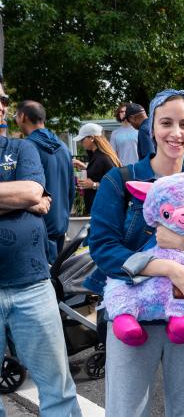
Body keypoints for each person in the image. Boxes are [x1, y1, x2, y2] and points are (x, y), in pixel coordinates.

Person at [87, 89, 184, 416]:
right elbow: (104, 249)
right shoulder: (122, 180)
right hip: (132, 316)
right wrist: (168, 268)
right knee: (126, 409)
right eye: (166, 123)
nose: (176, 133)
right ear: (151, 127)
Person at [0, 83, 81, 417]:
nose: (1, 104)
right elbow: (27, 197)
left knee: (58, 388)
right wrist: (18, 198)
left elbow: (34, 191)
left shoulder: (22, 149)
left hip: (32, 283)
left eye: (3, 99)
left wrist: (30, 196)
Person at [16, 100, 74, 264]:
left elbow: (22, 191)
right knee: (55, 279)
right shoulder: (63, 147)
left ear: (23, 117)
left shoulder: (25, 148)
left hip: (36, 228)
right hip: (60, 225)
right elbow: (71, 190)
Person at [72, 123, 122, 213]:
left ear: (91, 138)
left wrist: (93, 185)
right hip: (99, 207)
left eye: (82, 139)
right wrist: (84, 166)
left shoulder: (103, 157)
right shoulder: (97, 155)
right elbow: (99, 171)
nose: (81, 142)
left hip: (104, 208)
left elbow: (116, 184)